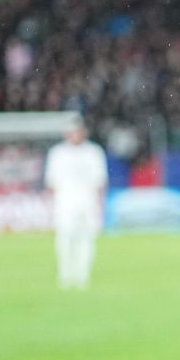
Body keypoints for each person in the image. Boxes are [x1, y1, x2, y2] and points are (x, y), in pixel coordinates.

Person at [44, 118, 108, 290]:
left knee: (86, 238)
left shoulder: (94, 152)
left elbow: (100, 183)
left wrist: (101, 206)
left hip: (88, 201)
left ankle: (82, 275)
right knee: (64, 237)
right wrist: (50, 207)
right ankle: (65, 274)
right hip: (65, 202)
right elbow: (51, 183)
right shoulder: (57, 153)